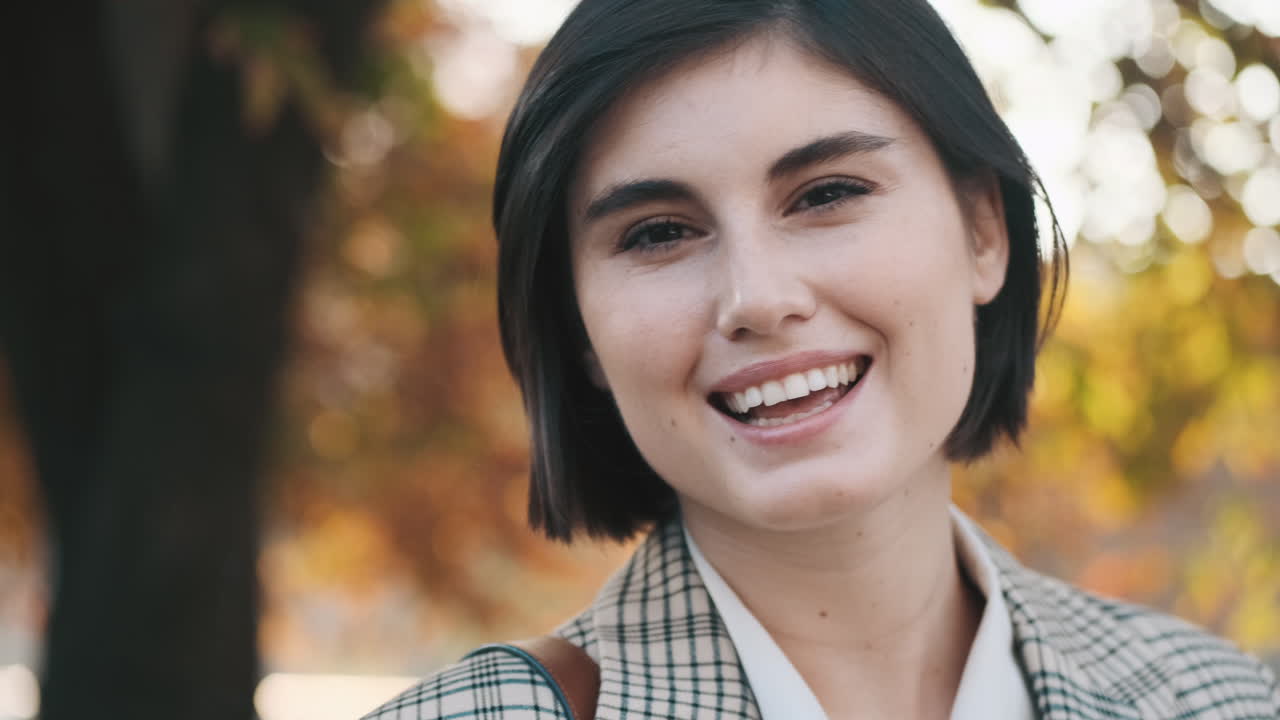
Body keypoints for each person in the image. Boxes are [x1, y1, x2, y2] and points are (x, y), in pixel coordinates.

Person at [364, 0, 1280, 717]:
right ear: (578, 331)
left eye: (827, 193)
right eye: (659, 233)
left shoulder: (1222, 701)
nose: (758, 298)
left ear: (983, 230)